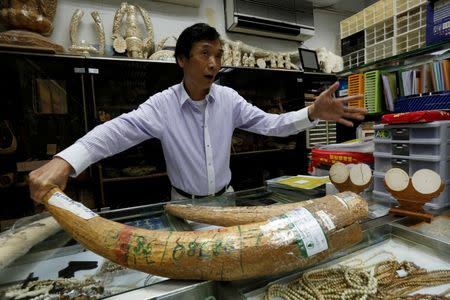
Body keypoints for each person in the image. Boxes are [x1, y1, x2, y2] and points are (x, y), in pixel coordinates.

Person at [29, 23, 366, 203]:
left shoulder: (229, 99)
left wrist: (312, 111)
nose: (214, 63)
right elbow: (116, 132)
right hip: (183, 206)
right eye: (205, 53)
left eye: (218, 55)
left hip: (227, 201)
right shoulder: (162, 105)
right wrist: (65, 161)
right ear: (181, 60)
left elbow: (272, 125)